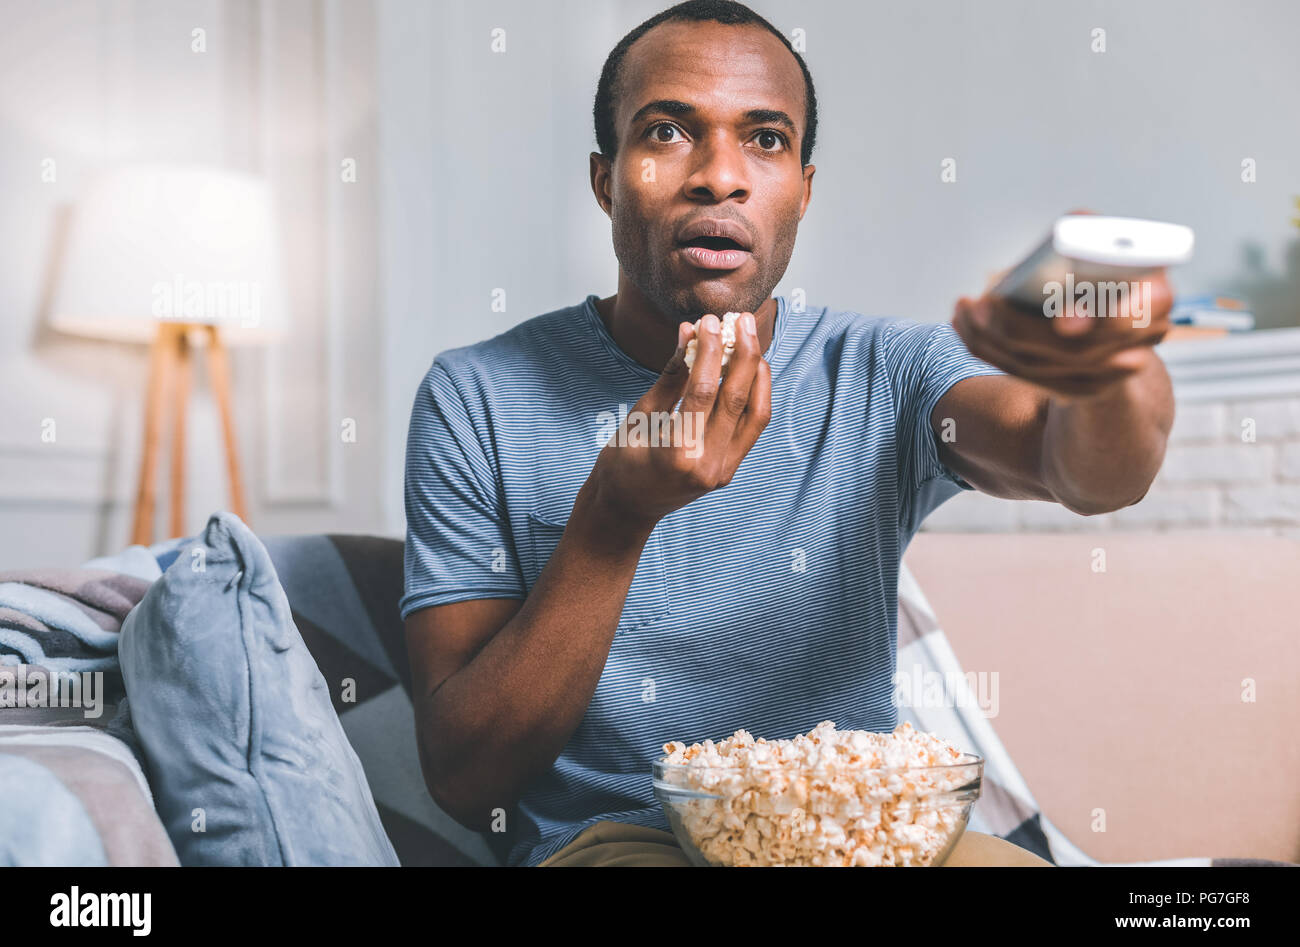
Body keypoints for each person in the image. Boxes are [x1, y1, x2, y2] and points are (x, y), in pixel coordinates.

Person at [400, 0, 1174, 868]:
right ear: (605, 178)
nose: (719, 175)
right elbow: (466, 777)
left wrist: (1109, 372)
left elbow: (1089, 472)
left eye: (765, 139)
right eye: (666, 131)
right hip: (618, 842)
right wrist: (614, 516)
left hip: (871, 832)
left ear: (803, 188)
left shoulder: (887, 368)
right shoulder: (475, 397)